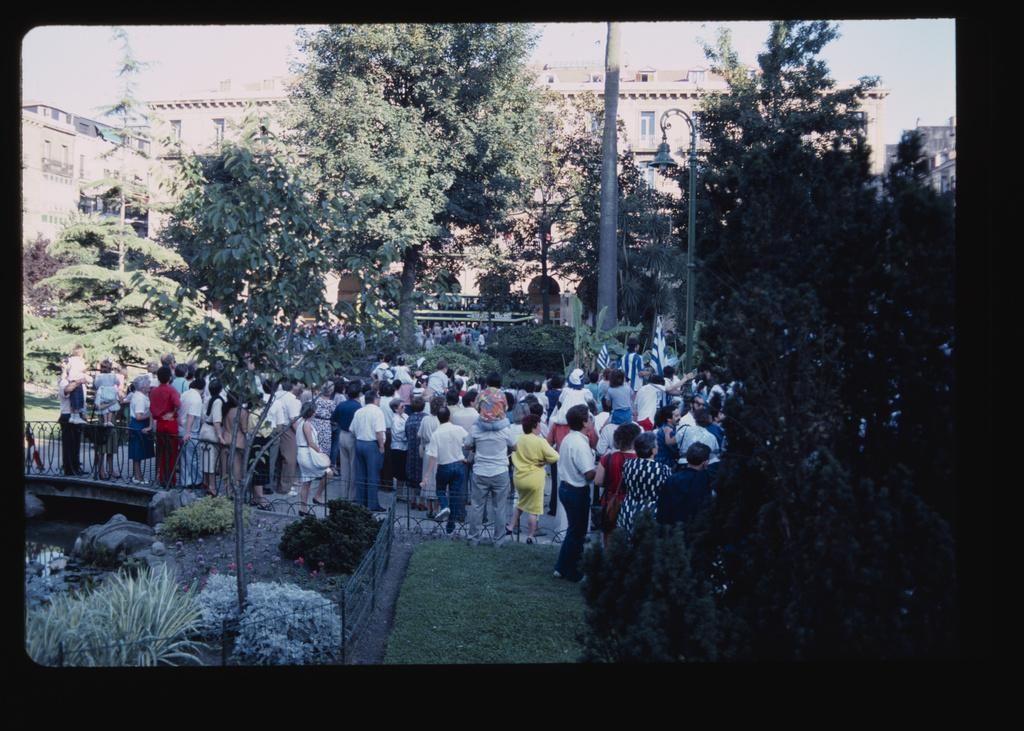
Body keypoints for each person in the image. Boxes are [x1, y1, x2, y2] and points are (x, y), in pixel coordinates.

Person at [553, 404, 596, 582]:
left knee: (573, 531)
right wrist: (601, 469)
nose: (592, 421)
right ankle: (573, 571)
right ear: (585, 422)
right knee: (577, 533)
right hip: (576, 490)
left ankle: (561, 567)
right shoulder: (579, 443)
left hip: (567, 487)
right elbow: (588, 472)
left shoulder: (569, 439)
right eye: (590, 418)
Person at [464, 400, 516, 544]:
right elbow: (515, 446)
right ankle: (498, 541)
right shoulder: (506, 429)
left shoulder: (476, 429)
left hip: (480, 471)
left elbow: (467, 445)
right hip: (500, 471)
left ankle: (473, 539)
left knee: (477, 506)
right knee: (499, 508)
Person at [509, 413, 559, 543]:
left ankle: (510, 526)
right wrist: (544, 462)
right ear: (534, 426)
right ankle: (531, 535)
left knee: (520, 502)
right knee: (534, 509)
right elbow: (555, 457)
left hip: (519, 477)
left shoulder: (518, 439)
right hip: (534, 477)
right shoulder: (540, 441)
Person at [423, 406, 469, 534]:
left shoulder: (436, 434)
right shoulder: (459, 429)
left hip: (444, 466)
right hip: (459, 465)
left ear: (438, 419)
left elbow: (433, 456)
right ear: (450, 417)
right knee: (454, 495)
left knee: (440, 490)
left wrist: (426, 476)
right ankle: (450, 527)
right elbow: (469, 441)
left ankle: (444, 506)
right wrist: (465, 457)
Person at [594, 422, 641, 547]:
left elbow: (598, 481)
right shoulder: (639, 460)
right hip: (631, 503)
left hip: (610, 502)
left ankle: (609, 563)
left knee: (608, 536)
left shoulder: (608, 458)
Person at [616, 431, 672, 536]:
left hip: (628, 510)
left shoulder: (628, 464)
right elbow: (667, 493)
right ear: (653, 450)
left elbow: (624, 485)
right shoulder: (663, 469)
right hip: (651, 513)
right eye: (656, 445)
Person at [657, 442, 713, 528]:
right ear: (705, 462)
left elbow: (663, 507)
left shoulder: (673, 478)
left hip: (674, 529)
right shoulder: (706, 480)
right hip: (695, 529)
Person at [350, 389, 387, 512]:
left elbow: (352, 429)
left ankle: (361, 502)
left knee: (360, 474)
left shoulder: (359, 411)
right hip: (372, 444)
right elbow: (379, 432)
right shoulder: (378, 412)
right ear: (375, 399)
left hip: (359, 442)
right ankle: (372, 504)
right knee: (373, 476)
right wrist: (381, 447)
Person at [294, 401, 332, 517]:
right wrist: (321, 452)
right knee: (328, 473)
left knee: (307, 481)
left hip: (302, 453)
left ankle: (303, 508)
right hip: (307, 453)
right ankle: (318, 496)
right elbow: (311, 443)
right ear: (311, 412)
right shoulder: (306, 424)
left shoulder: (300, 422)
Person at [149, 366, 181, 487]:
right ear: (169, 377)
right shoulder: (172, 390)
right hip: (171, 423)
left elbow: (152, 408)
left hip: (160, 423)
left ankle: (162, 478)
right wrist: (172, 413)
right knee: (172, 453)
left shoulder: (153, 391)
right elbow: (178, 404)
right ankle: (171, 480)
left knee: (162, 452)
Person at [331, 382, 362, 501]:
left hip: (342, 434)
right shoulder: (358, 407)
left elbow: (333, 419)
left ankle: (344, 493)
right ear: (358, 394)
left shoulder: (341, 405)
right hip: (352, 436)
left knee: (344, 467)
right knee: (353, 466)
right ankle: (351, 495)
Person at [417, 395, 446, 517]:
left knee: (428, 480)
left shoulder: (425, 419)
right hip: (439, 451)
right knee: (438, 480)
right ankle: (436, 509)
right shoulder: (441, 420)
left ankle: (429, 509)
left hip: (428, 450)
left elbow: (420, 435)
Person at [309, 381, 336, 507]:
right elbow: (334, 415)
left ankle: (313, 469)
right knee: (324, 450)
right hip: (325, 425)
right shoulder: (331, 403)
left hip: (315, 423)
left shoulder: (315, 400)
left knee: (314, 446)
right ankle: (322, 470)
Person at [178, 377, 206, 492]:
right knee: (194, 457)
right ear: (203, 388)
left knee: (184, 457)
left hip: (181, 428)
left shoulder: (185, 394)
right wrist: (188, 432)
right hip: (190, 431)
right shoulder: (197, 399)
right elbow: (191, 416)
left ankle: (185, 480)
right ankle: (195, 481)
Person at [199, 380, 226, 496]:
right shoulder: (218, 401)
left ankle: (206, 483)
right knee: (211, 460)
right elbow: (217, 420)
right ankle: (212, 487)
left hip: (204, 429)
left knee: (205, 459)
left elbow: (202, 417)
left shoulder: (207, 399)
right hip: (211, 432)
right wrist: (220, 435)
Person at [127, 375, 155, 483]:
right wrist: (151, 414)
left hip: (138, 425)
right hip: (139, 425)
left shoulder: (140, 396)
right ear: (143, 386)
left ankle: (137, 476)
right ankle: (138, 477)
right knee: (137, 452)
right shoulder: (140, 398)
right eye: (148, 384)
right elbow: (139, 416)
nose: (150, 386)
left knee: (137, 452)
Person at [403, 396, 428, 511]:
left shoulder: (409, 419)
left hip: (411, 450)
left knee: (412, 474)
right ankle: (422, 502)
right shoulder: (426, 419)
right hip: (423, 450)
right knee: (422, 474)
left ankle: (412, 500)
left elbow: (406, 434)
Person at [388, 398, 409, 500]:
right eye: (402, 407)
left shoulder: (405, 416)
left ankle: (401, 493)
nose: (404, 408)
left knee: (403, 472)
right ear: (396, 409)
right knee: (399, 472)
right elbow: (398, 434)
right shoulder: (395, 419)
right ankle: (399, 494)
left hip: (405, 447)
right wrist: (407, 436)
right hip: (398, 447)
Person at [65, 345, 91, 424]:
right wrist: (87, 368)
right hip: (77, 380)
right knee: (78, 398)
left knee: (73, 398)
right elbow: (81, 369)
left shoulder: (70, 360)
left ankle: (73, 416)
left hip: (71, 380)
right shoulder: (80, 361)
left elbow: (67, 368)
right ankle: (76, 416)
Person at [93, 358, 121, 427]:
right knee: (111, 407)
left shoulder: (99, 376)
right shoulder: (113, 375)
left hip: (103, 392)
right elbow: (118, 382)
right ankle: (109, 421)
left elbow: (96, 384)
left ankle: (105, 421)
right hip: (111, 392)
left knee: (104, 406)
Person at [653, 404, 681, 469]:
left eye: (679, 415)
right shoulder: (669, 431)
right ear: (668, 419)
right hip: (665, 465)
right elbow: (676, 451)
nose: (680, 418)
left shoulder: (663, 427)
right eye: (676, 416)